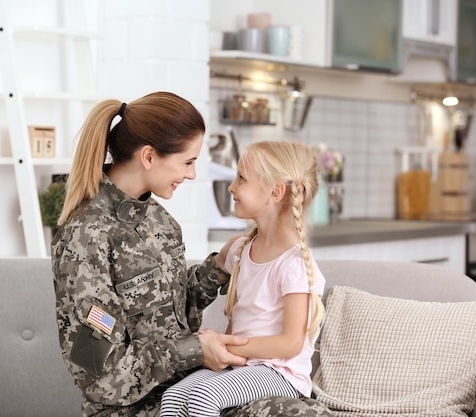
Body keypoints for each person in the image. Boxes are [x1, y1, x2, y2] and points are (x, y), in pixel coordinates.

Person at [51, 92, 332, 417]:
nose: (193, 174)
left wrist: (217, 269)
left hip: (195, 390)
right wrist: (195, 350)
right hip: (136, 408)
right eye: (187, 162)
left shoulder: (162, 223)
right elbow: (102, 376)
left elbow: (171, 313)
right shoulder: (85, 237)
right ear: (148, 156)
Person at [159, 140, 327, 417]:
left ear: (275, 192)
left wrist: (226, 345)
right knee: (174, 397)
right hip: (244, 365)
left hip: (278, 372)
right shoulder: (240, 250)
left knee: (204, 397)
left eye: (241, 179)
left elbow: (291, 343)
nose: (231, 187)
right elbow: (224, 304)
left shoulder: (293, 265)